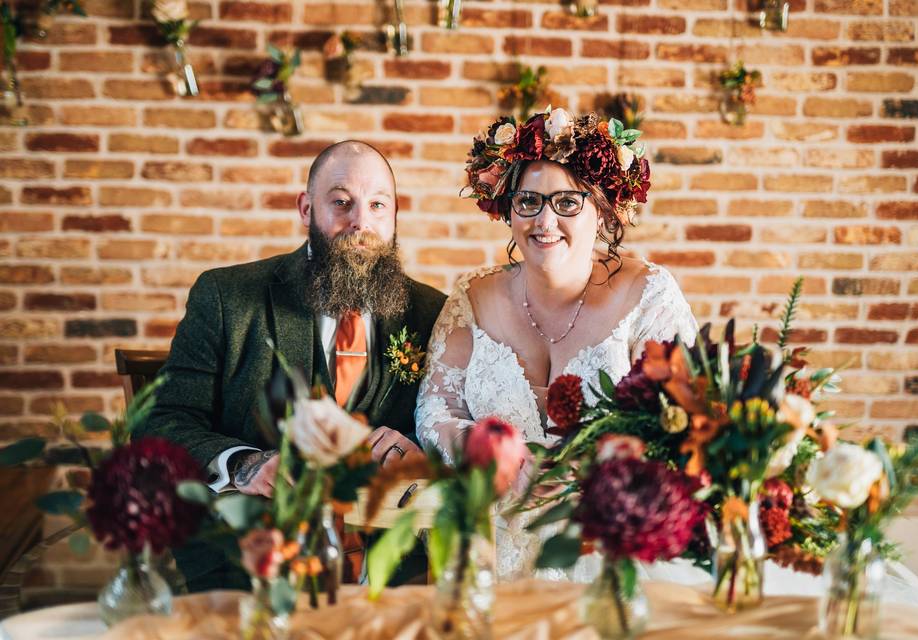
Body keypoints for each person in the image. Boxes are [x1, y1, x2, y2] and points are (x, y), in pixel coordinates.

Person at [136, 140, 446, 592]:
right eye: (341, 202)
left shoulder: (431, 311)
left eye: (378, 205)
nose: (361, 221)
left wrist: (416, 447)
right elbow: (160, 422)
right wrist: (245, 464)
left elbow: (453, 424)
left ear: (395, 214)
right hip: (254, 562)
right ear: (306, 209)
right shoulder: (226, 297)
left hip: (391, 568)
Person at [414, 109, 698, 582]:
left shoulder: (649, 295)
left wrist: (594, 470)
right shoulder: (471, 297)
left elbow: (681, 421)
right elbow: (433, 411)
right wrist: (480, 449)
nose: (544, 220)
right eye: (529, 201)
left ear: (603, 210)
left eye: (567, 202)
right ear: (508, 209)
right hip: (489, 551)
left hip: (607, 549)